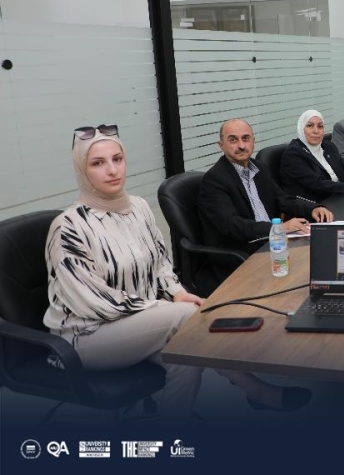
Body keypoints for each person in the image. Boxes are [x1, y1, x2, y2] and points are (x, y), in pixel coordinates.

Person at [46, 124, 313, 420]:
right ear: (81, 170)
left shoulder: (137, 208)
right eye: (97, 163)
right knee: (185, 318)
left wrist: (176, 292)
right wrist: (164, 308)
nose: (112, 170)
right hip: (87, 335)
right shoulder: (69, 227)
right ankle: (256, 390)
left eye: (117, 159)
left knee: (184, 351)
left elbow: (161, 262)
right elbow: (92, 302)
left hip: (138, 322)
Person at [198, 119, 333, 295]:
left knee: (322, 258)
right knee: (303, 281)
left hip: (272, 244)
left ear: (253, 141)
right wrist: (279, 228)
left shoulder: (260, 168)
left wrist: (313, 208)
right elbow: (232, 225)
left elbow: (282, 199)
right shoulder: (214, 180)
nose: (241, 145)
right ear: (221, 145)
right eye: (233, 140)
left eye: (246, 138)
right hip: (243, 253)